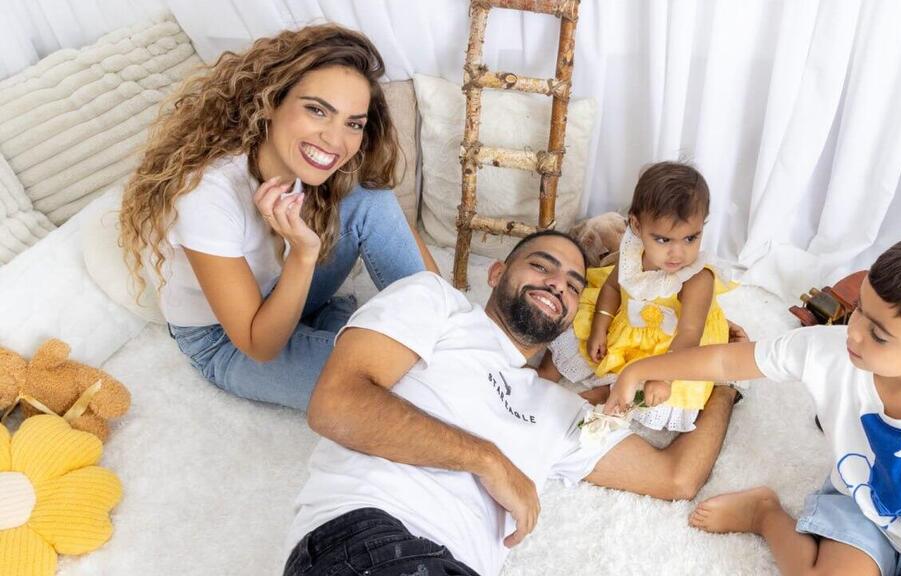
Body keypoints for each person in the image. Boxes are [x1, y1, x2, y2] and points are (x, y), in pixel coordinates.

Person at [284, 230, 740, 576]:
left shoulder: (559, 409)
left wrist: (722, 385)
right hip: (371, 534)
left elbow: (675, 478)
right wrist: (490, 462)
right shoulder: (436, 302)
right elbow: (336, 405)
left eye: (574, 285)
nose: (559, 284)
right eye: (542, 267)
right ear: (497, 272)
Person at [606, 230, 901, 576]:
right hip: (865, 505)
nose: (853, 334)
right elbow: (725, 358)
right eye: (858, 312)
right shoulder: (831, 350)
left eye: (879, 335)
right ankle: (764, 513)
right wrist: (640, 370)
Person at [119, 24, 437, 411]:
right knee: (413, 383)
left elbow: (387, 228)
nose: (336, 141)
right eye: (318, 110)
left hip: (287, 292)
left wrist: (438, 310)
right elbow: (259, 344)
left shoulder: (314, 167)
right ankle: (347, 329)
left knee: (369, 198)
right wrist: (304, 253)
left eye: (353, 123)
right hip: (230, 340)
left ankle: (454, 330)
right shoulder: (206, 193)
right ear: (270, 101)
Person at [541, 161, 731, 432]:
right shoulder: (633, 255)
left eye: (690, 238)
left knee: (644, 391)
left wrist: (664, 377)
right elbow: (610, 289)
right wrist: (600, 326)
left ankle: (599, 397)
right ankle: (544, 376)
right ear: (636, 226)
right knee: (575, 327)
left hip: (673, 346)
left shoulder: (697, 278)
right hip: (630, 322)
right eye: (664, 240)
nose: (678, 254)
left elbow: (689, 335)